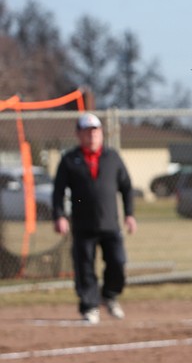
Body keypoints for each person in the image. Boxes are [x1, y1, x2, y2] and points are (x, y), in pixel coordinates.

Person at [51, 112, 137, 324]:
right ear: (79, 134)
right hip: (83, 224)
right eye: (87, 132)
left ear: (101, 133)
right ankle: (89, 307)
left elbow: (126, 188)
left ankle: (109, 296)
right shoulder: (70, 160)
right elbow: (58, 191)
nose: (92, 136)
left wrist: (130, 214)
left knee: (118, 262)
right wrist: (59, 216)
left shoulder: (112, 157)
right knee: (85, 268)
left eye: (95, 131)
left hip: (110, 223)